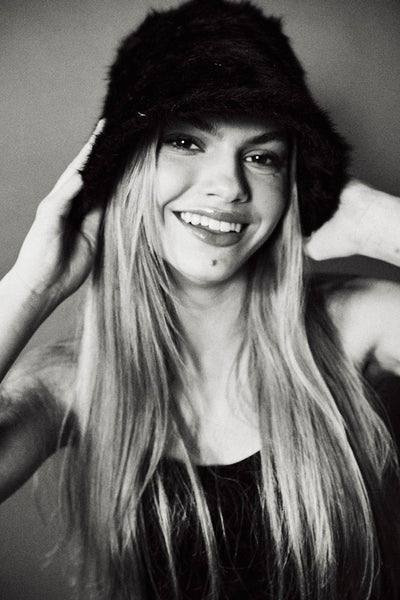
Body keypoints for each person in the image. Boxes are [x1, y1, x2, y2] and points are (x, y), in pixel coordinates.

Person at [1, 0, 400, 598]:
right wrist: (34, 285)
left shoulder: (357, 324)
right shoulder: (74, 382)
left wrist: (375, 225)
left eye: (262, 157)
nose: (229, 185)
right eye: (187, 142)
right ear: (125, 171)